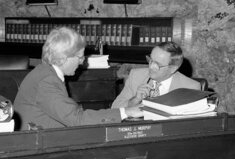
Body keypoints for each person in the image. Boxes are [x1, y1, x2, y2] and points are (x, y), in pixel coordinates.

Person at [14, 27, 142, 130]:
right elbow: (77, 120)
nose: (82, 62)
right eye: (80, 57)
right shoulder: (47, 81)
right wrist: (126, 112)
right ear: (64, 58)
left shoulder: (44, 71)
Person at [111, 42, 201, 108]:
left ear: (172, 68)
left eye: (157, 64)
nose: (151, 66)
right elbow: (114, 108)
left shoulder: (190, 87)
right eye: (150, 60)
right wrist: (135, 100)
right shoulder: (136, 76)